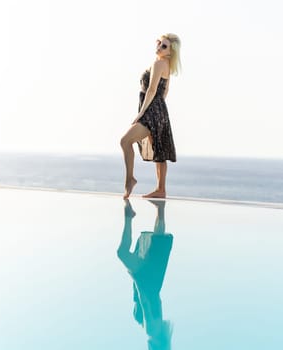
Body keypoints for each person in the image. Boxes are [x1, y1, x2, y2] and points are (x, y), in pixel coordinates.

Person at [120, 33, 182, 199]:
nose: (159, 47)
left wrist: (141, 113)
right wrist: (159, 110)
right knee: (159, 150)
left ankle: (130, 180)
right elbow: (166, 90)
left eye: (164, 46)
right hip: (160, 109)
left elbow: (152, 90)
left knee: (125, 141)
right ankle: (161, 189)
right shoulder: (167, 65)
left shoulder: (159, 62)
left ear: (170, 51)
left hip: (152, 110)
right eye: (159, 43)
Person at [117, 199, 174, 350]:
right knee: (122, 253)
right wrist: (136, 279)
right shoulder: (151, 330)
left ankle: (158, 209)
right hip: (145, 281)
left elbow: (155, 301)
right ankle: (130, 215)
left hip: (152, 283)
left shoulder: (158, 327)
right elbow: (144, 301)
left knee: (156, 247)